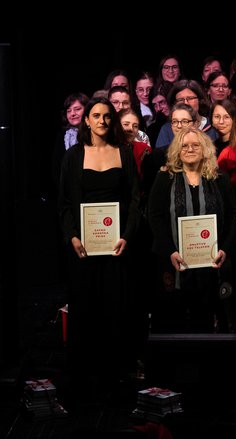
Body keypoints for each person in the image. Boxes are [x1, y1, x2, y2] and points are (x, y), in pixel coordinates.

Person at [58, 96, 141, 391]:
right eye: (96, 116)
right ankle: (83, 377)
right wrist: (72, 237)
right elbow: (65, 204)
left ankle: (112, 376)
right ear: (86, 120)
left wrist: (127, 236)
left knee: (114, 309)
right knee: (84, 308)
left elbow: (134, 201)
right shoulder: (73, 156)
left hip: (117, 247)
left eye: (107, 116)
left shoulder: (124, 152)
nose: (103, 121)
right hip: (83, 248)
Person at [148, 127, 236, 333]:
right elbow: (155, 216)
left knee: (205, 316)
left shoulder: (219, 178)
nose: (190, 149)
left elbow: (233, 215)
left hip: (212, 262)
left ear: (204, 148)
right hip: (175, 261)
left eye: (195, 145)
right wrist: (170, 250)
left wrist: (224, 248)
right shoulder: (165, 178)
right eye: (184, 146)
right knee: (174, 319)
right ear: (177, 151)